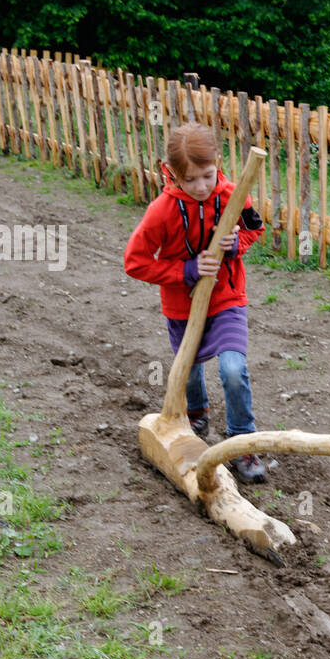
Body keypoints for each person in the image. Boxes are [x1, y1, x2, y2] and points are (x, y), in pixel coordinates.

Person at [124, 123, 268, 483]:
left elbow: (255, 228)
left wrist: (236, 245)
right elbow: (135, 262)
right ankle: (196, 414)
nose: (202, 187)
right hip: (183, 307)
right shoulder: (162, 211)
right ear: (172, 174)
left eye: (207, 176)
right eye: (190, 180)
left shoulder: (235, 195)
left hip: (227, 298)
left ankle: (241, 442)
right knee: (187, 371)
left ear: (217, 162)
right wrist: (186, 270)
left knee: (233, 370)